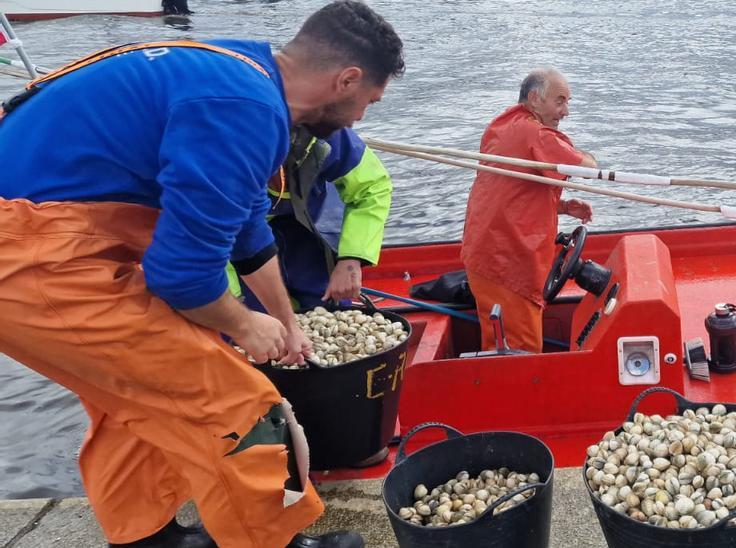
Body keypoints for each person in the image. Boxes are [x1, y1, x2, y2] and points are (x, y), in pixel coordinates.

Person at [0, 2, 403, 547]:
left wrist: (286, 322)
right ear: (346, 79)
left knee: (135, 399)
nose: (359, 119)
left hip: (53, 243)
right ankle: (273, 540)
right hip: (30, 258)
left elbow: (245, 230)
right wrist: (248, 326)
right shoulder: (245, 109)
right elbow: (182, 276)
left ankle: (148, 537)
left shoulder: (240, 69)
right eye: (367, 102)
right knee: (239, 400)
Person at [460, 68, 597, 354]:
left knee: (499, 342)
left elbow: (509, 190)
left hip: (486, 257)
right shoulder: (532, 132)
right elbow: (587, 167)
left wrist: (560, 206)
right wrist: (588, 157)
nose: (566, 112)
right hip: (506, 265)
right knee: (520, 353)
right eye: (560, 101)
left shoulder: (501, 126)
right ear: (534, 99)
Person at [230, 126, 393, 313]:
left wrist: (351, 259)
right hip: (239, 243)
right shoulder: (214, 164)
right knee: (246, 318)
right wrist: (234, 305)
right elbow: (208, 242)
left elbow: (372, 188)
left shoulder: (325, 128)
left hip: (306, 230)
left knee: (331, 309)